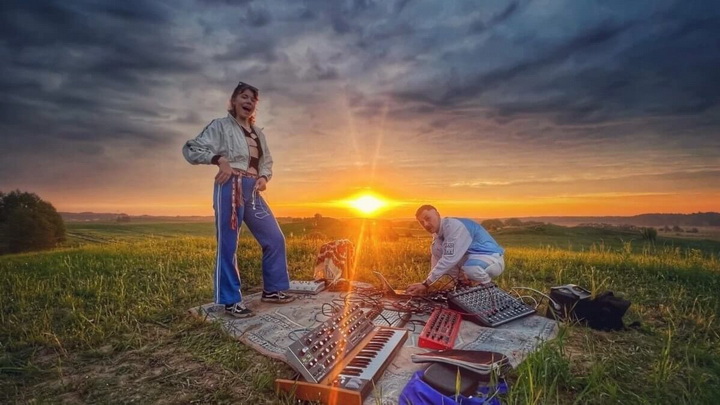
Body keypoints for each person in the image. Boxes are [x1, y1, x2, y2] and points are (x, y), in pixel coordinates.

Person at [182, 81, 294, 318]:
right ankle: (231, 301)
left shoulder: (258, 133)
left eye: (253, 99)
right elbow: (192, 148)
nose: (248, 102)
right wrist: (218, 159)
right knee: (228, 245)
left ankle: (273, 291)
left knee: (274, 238)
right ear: (233, 101)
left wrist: (264, 177)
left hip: (253, 189)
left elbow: (267, 161)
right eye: (244, 97)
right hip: (229, 187)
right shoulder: (220, 125)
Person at [406, 205, 505, 296]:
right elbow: (437, 259)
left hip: (491, 258)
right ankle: (462, 286)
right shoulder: (437, 236)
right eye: (421, 222)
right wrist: (428, 284)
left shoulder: (454, 227)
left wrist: (426, 284)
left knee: (471, 269)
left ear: (437, 214)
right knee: (437, 250)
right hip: (471, 258)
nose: (426, 224)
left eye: (428, 218)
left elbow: (449, 259)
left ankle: (490, 290)